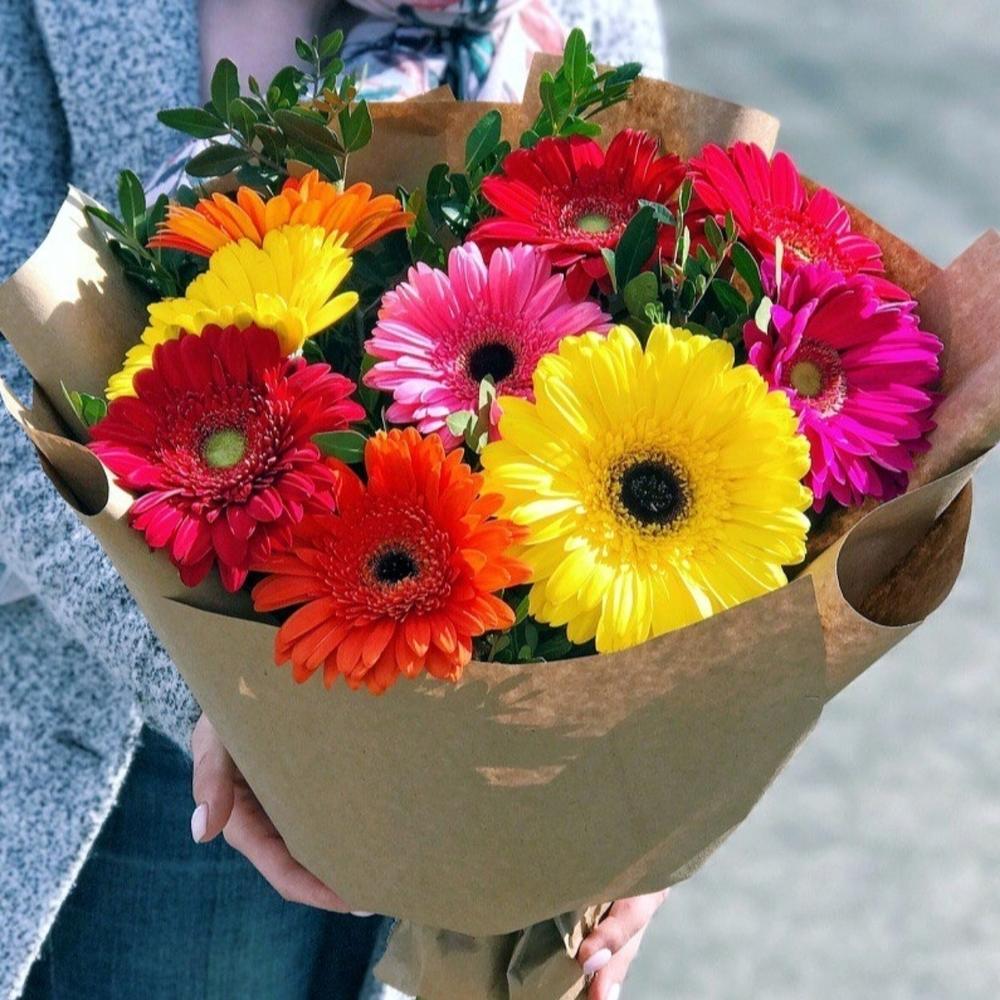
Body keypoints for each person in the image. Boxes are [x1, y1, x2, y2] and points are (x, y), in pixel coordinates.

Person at [0, 2, 669, 999]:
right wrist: (227, 689)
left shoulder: (582, 14)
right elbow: (15, 389)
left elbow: (662, 313)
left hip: (500, 740)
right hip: (165, 753)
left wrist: (649, 773)